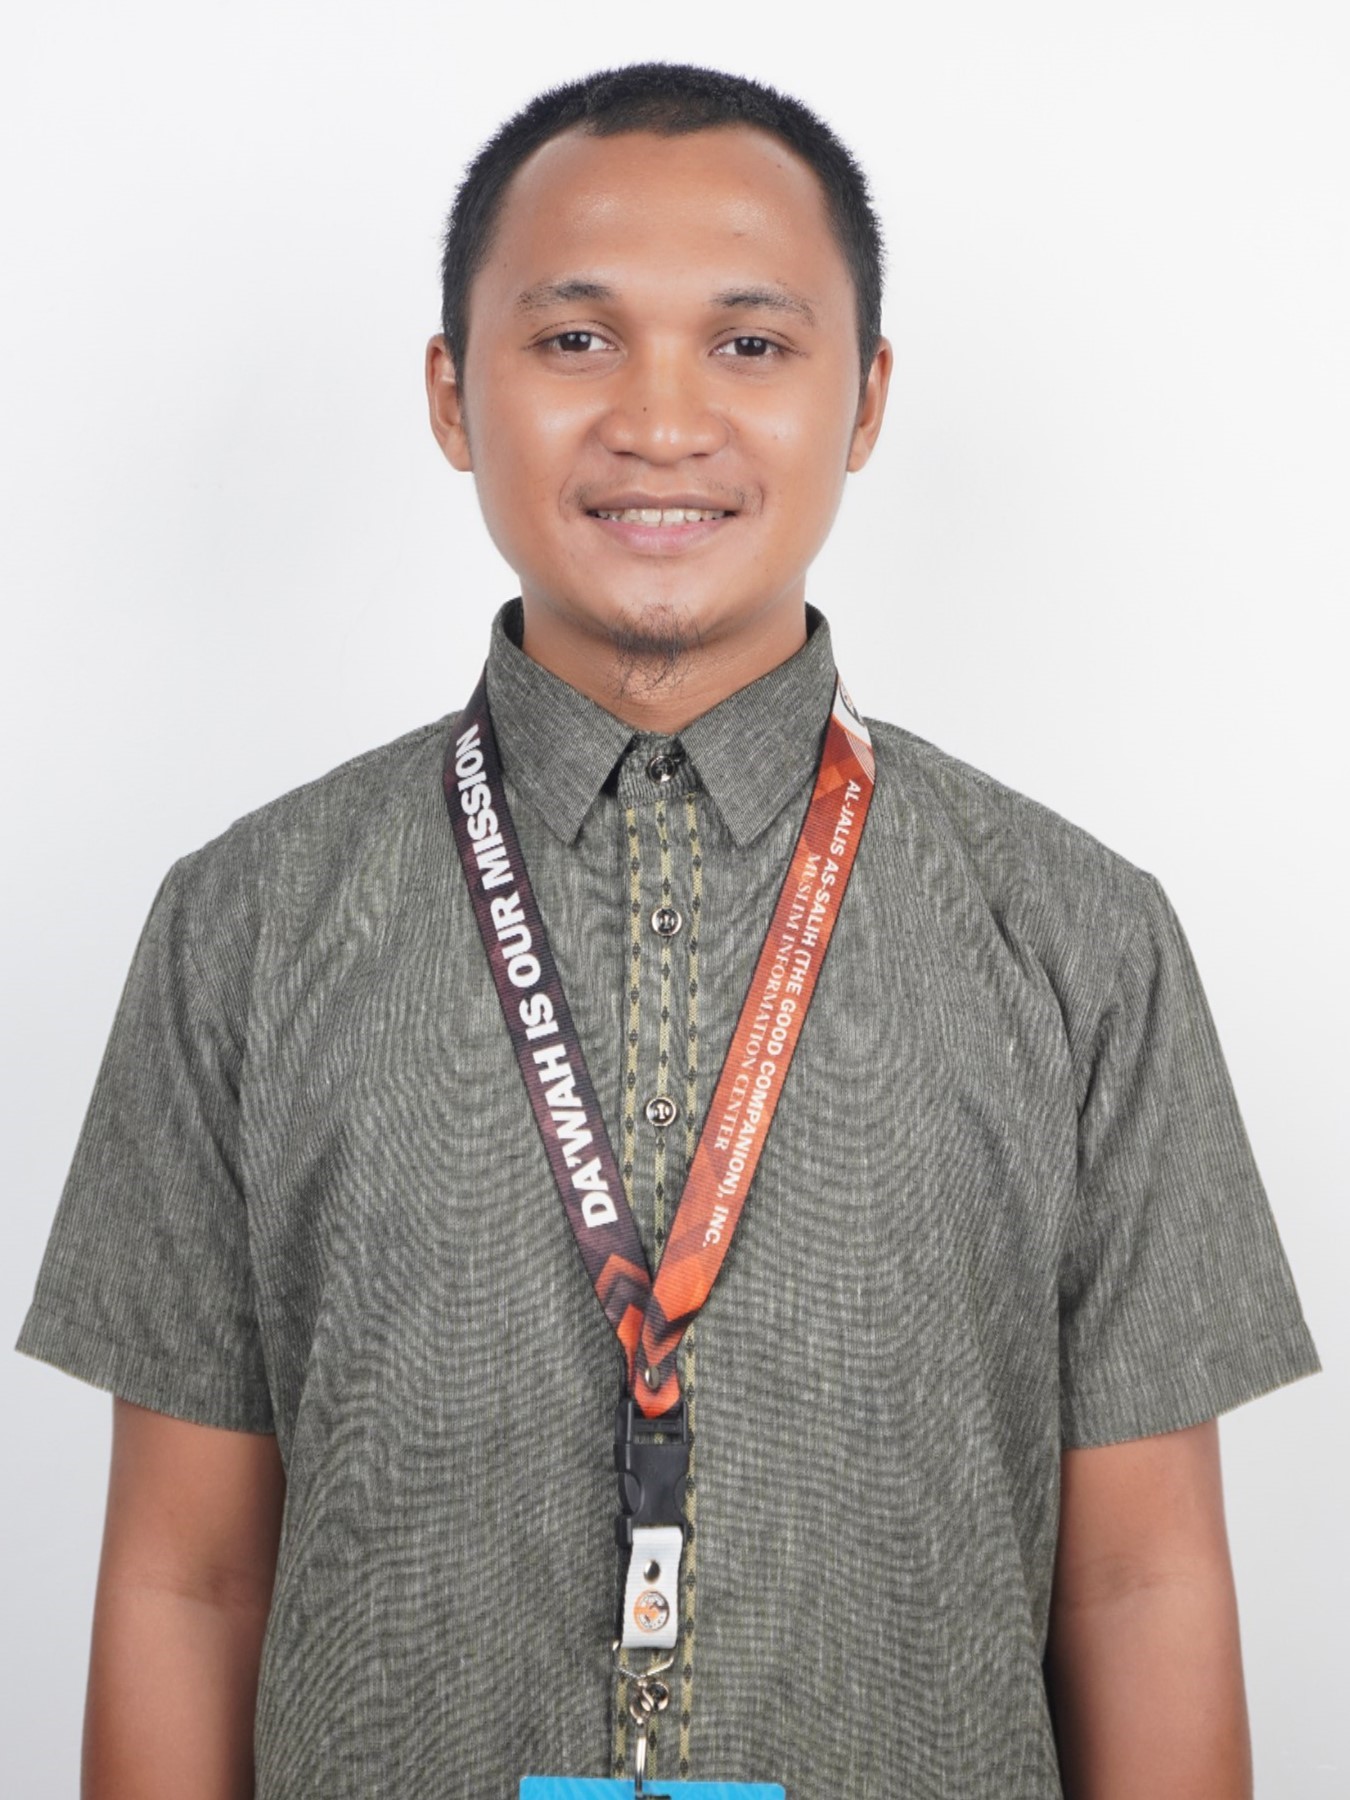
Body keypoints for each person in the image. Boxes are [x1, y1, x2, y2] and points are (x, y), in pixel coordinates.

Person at [15, 60, 1321, 1800]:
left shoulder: (1080, 938)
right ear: (450, 394)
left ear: (863, 399)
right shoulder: (243, 925)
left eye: (749, 343)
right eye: (574, 339)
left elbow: (1140, 1578)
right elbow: (187, 1579)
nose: (659, 418)